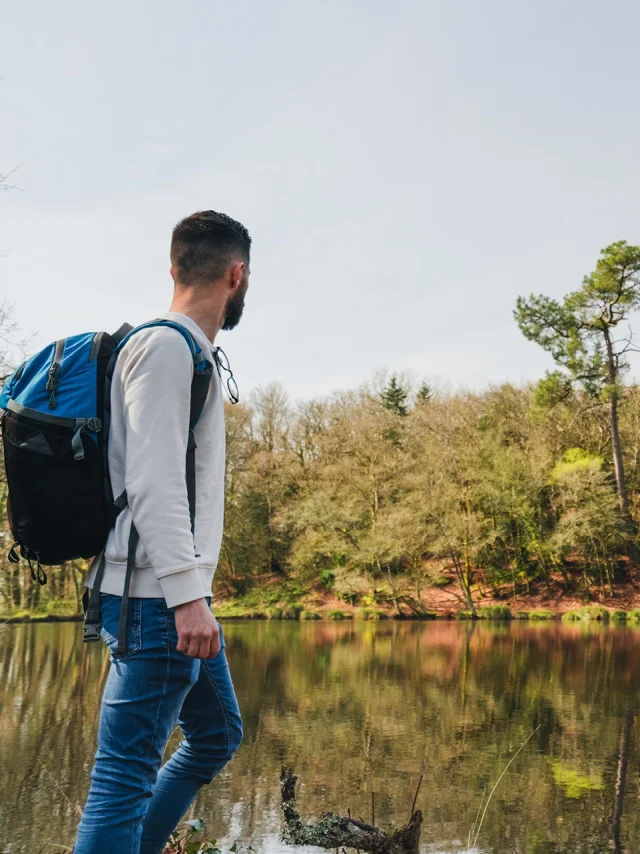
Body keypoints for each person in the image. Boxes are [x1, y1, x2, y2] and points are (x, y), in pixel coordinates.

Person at [74, 210, 250, 854]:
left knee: (218, 734)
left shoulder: (186, 353)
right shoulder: (167, 349)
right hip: (157, 600)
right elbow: (153, 482)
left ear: (173, 267)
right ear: (237, 275)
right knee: (122, 778)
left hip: (164, 595)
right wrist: (186, 594)